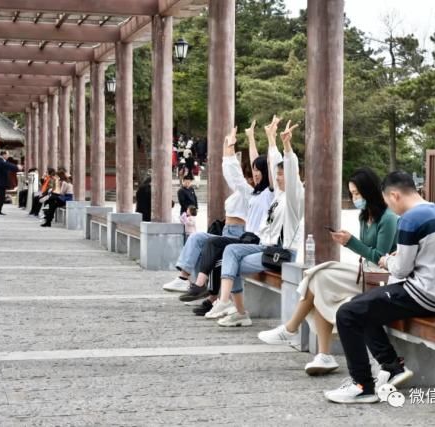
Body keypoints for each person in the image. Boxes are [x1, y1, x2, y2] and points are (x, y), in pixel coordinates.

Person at [324, 171, 435, 404]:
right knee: (361, 307)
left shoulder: (410, 219)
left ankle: (362, 385)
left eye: (388, 201)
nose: (389, 206)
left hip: (420, 294)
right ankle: (392, 366)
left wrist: (386, 260)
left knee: (347, 313)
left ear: (395, 195)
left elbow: (399, 270)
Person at [258, 167, 399, 375]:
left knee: (320, 275)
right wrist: (351, 242)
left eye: (357, 193)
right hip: (363, 274)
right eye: (352, 193)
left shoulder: (388, 218)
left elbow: (380, 257)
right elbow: (366, 253)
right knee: (318, 278)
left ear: (369, 191)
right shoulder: (364, 216)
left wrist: (351, 242)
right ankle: (321, 354)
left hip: (379, 279)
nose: (355, 198)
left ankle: (293, 330)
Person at [203, 120, 304, 327]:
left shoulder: (295, 197)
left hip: (281, 253)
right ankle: (237, 310)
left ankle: (228, 304)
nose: (277, 178)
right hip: (265, 247)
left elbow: (289, 169)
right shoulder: (279, 195)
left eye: (281, 175)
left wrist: (287, 147)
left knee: (230, 255)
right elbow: (273, 162)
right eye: (276, 174)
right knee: (231, 255)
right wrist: (272, 141)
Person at [162, 121, 274, 298]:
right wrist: (230, 146)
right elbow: (240, 172)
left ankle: (213, 296)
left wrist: (267, 139)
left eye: (258, 172)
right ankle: (186, 280)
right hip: (234, 233)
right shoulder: (252, 193)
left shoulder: (267, 193)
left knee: (219, 251)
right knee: (199, 239)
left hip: (245, 236)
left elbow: (249, 170)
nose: (254, 175)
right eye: (253, 172)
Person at [0, 151, 10, 215]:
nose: (8, 156)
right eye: (7, 155)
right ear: (3, 155)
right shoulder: (0, 161)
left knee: (1, 197)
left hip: (2, 182)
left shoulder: (3, 161)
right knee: (0, 197)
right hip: (0, 182)